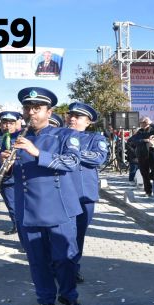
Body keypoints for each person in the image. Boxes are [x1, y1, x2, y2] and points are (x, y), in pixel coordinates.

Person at [5, 87, 86, 305]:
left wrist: (37, 152)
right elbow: (18, 176)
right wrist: (8, 166)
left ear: (49, 111)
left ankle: (69, 296)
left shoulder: (64, 135)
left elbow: (71, 162)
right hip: (28, 209)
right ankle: (45, 300)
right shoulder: (18, 138)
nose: (31, 112)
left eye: (37, 108)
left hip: (59, 207)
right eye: (27, 108)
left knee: (64, 257)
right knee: (37, 261)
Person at [65, 102, 108, 284]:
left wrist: (74, 151)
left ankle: (73, 267)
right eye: (71, 115)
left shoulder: (95, 138)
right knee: (63, 233)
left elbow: (98, 158)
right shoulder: (58, 136)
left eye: (78, 116)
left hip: (84, 195)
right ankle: (61, 266)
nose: (73, 119)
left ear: (88, 122)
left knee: (78, 234)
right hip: (62, 193)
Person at [128, 116, 154, 196]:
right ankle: (148, 191)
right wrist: (145, 140)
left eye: (143, 122)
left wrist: (151, 123)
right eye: (141, 122)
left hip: (153, 155)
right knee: (144, 174)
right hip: (142, 155)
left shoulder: (153, 130)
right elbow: (132, 140)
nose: (141, 124)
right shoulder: (140, 132)